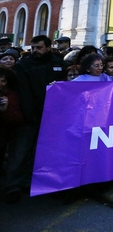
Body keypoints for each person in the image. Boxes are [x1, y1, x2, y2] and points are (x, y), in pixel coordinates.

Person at [4, 35, 67, 203]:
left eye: (39, 47)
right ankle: (13, 187)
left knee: (49, 153)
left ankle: (41, 183)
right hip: (29, 117)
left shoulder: (59, 64)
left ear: (48, 47)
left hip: (53, 118)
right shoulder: (23, 65)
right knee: (21, 152)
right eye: (33, 48)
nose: (35, 51)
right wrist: (28, 114)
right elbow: (22, 93)